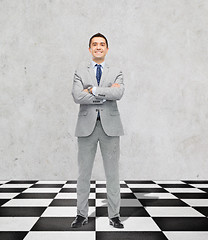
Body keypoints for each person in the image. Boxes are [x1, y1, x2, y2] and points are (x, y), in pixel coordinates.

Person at [71, 33, 124, 229]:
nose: (99, 47)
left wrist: (92, 90)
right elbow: (77, 96)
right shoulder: (80, 70)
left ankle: (115, 216)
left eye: (102, 44)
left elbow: (118, 93)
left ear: (107, 49)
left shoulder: (116, 70)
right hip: (86, 129)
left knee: (112, 175)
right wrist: (104, 93)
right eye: (95, 45)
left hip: (111, 128)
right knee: (83, 174)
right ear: (90, 49)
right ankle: (81, 214)